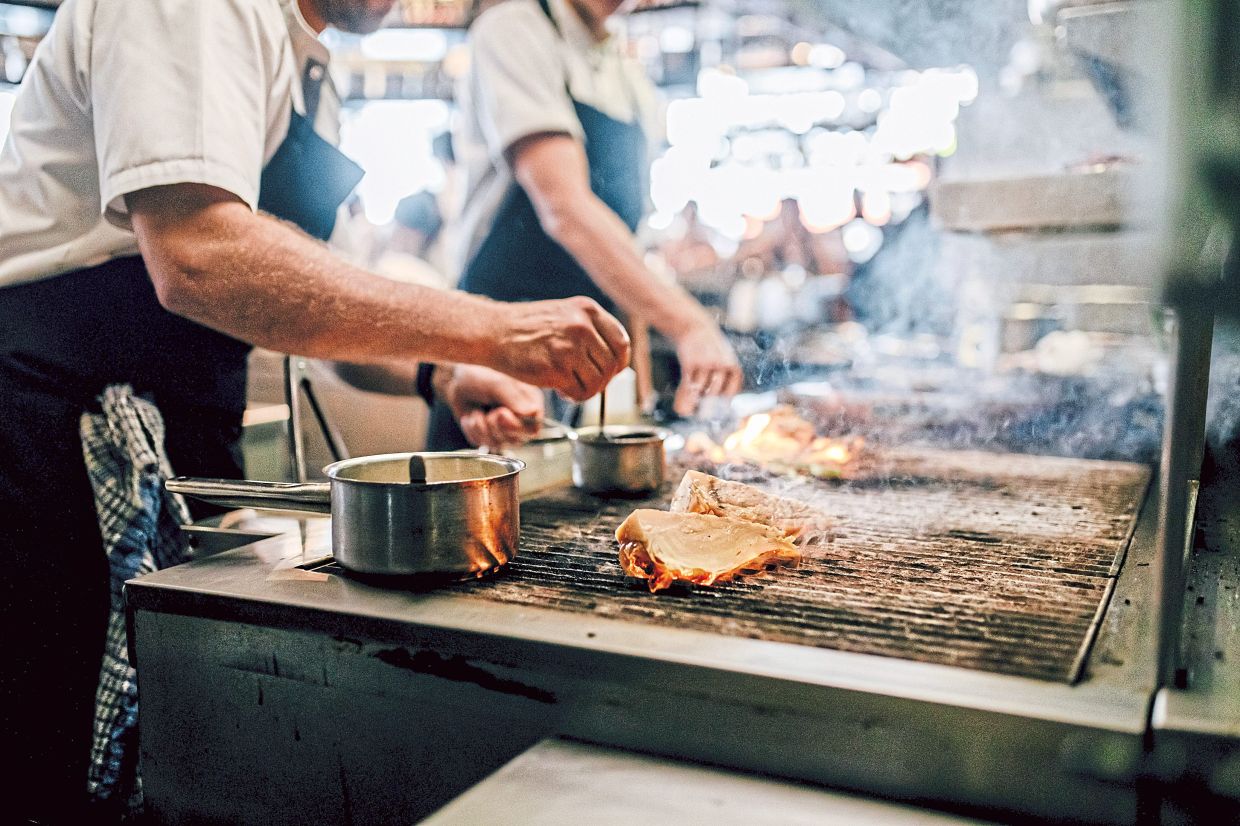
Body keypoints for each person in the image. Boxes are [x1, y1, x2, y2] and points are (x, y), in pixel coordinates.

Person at [0, 0, 630, 821]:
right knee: (52, 763)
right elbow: (199, 256)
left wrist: (440, 371)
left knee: (156, 767)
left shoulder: (310, 58)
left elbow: (300, 301)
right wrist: (494, 328)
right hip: (51, 443)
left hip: (174, 447)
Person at [431, 0, 743, 448]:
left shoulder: (626, 73)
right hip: (497, 351)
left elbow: (620, 246)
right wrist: (690, 325)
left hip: (592, 362)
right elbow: (565, 209)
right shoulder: (514, 29)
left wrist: (640, 392)